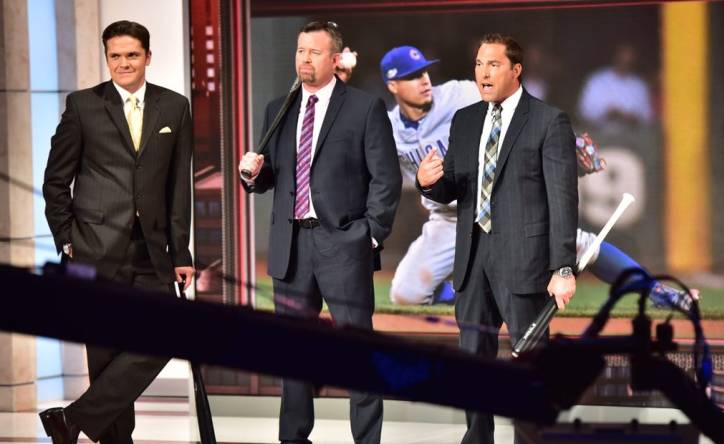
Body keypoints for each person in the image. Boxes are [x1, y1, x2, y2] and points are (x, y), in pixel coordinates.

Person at [379, 45, 696, 310]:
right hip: (450, 220)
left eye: (423, 72)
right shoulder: (387, 128)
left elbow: (521, 108)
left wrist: (566, 141)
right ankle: (474, 294)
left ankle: (660, 293)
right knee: (405, 293)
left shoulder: (458, 94)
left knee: (582, 246)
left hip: (502, 206)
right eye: (410, 77)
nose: (422, 80)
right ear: (393, 86)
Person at [237, 21, 401, 444]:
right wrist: (252, 175)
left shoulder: (365, 108)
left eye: (313, 52)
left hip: (344, 245)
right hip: (290, 247)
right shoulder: (279, 107)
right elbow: (270, 174)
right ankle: (293, 438)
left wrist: (369, 234)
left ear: (334, 59)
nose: (304, 59)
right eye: (299, 51)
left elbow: (386, 179)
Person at [416, 34, 578, 444]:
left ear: (515, 70)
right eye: (478, 65)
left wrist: (563, 267)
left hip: (526, 263)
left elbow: (562, 200)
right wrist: (427, 184)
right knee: (474, 365)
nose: (483, 73)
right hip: (473, 262)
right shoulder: (466, 120)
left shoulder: (548, 120)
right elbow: (453, 186)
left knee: (531, 367)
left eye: (493, 65)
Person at [40, 20, 194, 444]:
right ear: (106, 58)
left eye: (131, 55)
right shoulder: (83, 106)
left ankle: (71, 420)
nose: (123, 63)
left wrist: (181, 252)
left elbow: (178, 187)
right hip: (93, 250)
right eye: (115, 56)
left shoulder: (175, 107)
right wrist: (67, 239)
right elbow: (56, 181)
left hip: (153, 251)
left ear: (147, 56)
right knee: (106, 356)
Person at [577, 42, 653, 130]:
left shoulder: (639, 86)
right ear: (615, 57)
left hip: (631, 137)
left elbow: (647, 118)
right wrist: (605, 114)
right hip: (600, 134)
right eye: (622, 58)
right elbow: (583, 112)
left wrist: (631, 118)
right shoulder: (597, 80)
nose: (625, 62)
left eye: (629, 60)